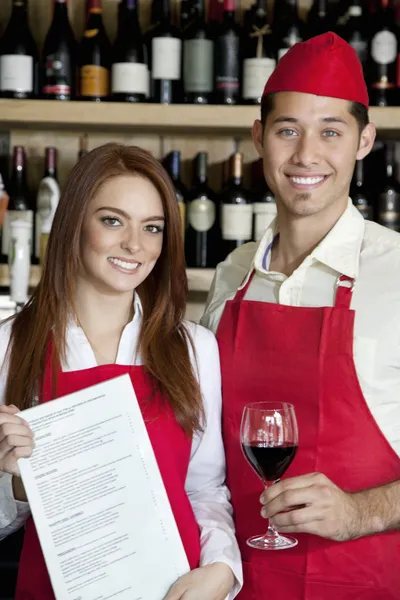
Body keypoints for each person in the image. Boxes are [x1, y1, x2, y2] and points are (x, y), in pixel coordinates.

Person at [201, 32, 400, 600]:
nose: (306, 156)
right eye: (288, 130)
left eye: (330, 133)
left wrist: (357, 513)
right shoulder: (230, 275)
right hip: (234, 582)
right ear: (259, 138)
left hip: (362, 584)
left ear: (364, 141)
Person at [0, 143, 242, 600]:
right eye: (112, 221)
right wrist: (13, 485)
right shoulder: (9, 346)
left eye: (152, 228)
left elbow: (204, 490)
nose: (135, 245)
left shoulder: (194, 349)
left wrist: (222, 567)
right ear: (73, 223)